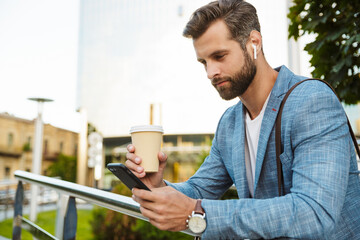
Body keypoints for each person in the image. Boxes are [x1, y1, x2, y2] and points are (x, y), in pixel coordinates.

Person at [126, 0, 360, 239]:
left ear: (254, 43)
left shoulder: (312, 101)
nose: (210, 73)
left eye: (219, 56)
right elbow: (199, 190)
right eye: (204, 62)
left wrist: (198, 213)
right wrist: (159, 187)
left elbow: (315, 212)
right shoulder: (230, 123)